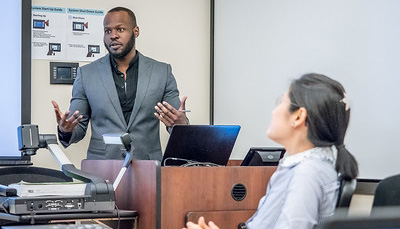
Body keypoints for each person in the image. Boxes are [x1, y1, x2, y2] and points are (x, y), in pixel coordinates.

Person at [184, 73, 358, 229]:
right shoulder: (311, 167)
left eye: (281, 102)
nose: (273, 111)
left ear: (298, 116)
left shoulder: (307, 174)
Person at [51, 7, 188, 160]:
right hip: (102, 168)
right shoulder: (86, 75)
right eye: (107, 31)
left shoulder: (162, 72)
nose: (113, 36)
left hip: (147, 167)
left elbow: (175, 122)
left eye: (120, 29)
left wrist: (181, 124)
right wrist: (65, 129)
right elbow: (78, 129)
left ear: (135, 31)